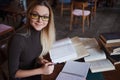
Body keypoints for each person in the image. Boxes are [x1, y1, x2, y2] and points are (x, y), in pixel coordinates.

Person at [8, 0, 56, 80]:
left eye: (45, 17)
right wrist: (41, 70)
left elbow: (29, 53)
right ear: (29, 15)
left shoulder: (42, 32)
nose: (40, 20)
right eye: (35, 15)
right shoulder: (18, 39)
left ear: (49, 19)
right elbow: (13, 74)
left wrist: (40, 59)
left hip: (35, 73)